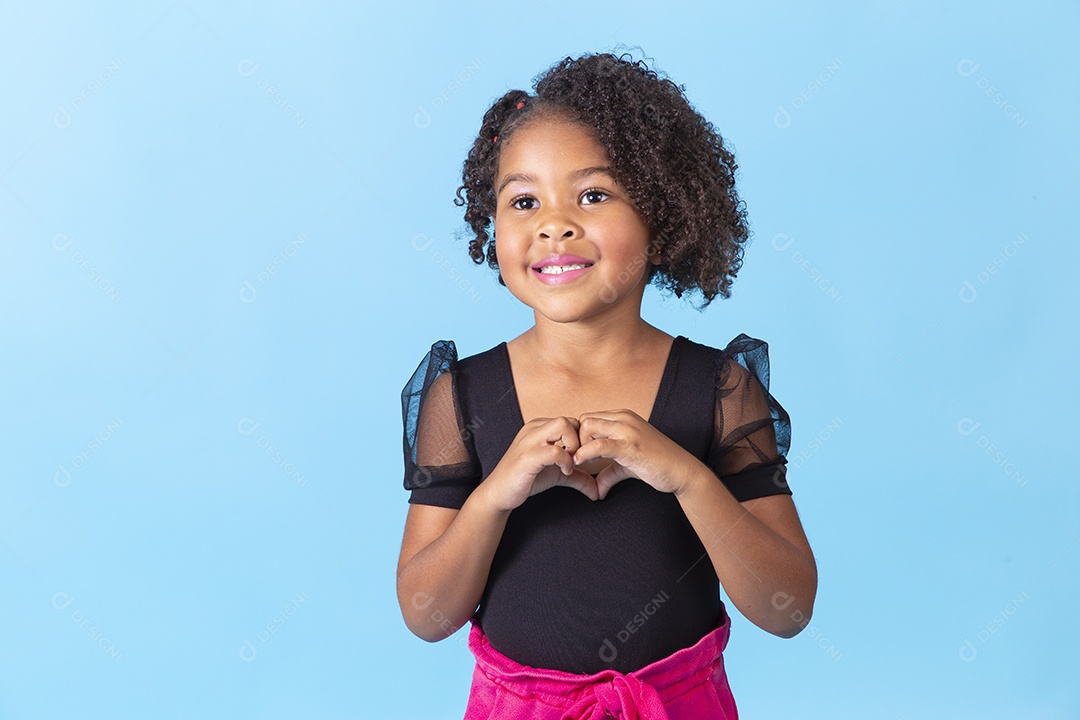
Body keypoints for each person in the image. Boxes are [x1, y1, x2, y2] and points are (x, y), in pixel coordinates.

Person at [396, 50, 817, 719]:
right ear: (493, 224)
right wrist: (496, 495)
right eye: (524, 200)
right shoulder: (463, 396)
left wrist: (686, 477)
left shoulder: (720, 388)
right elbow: (426, 614)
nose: (554, 223)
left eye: (593, 195)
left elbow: (787, 608)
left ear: (662, 211)